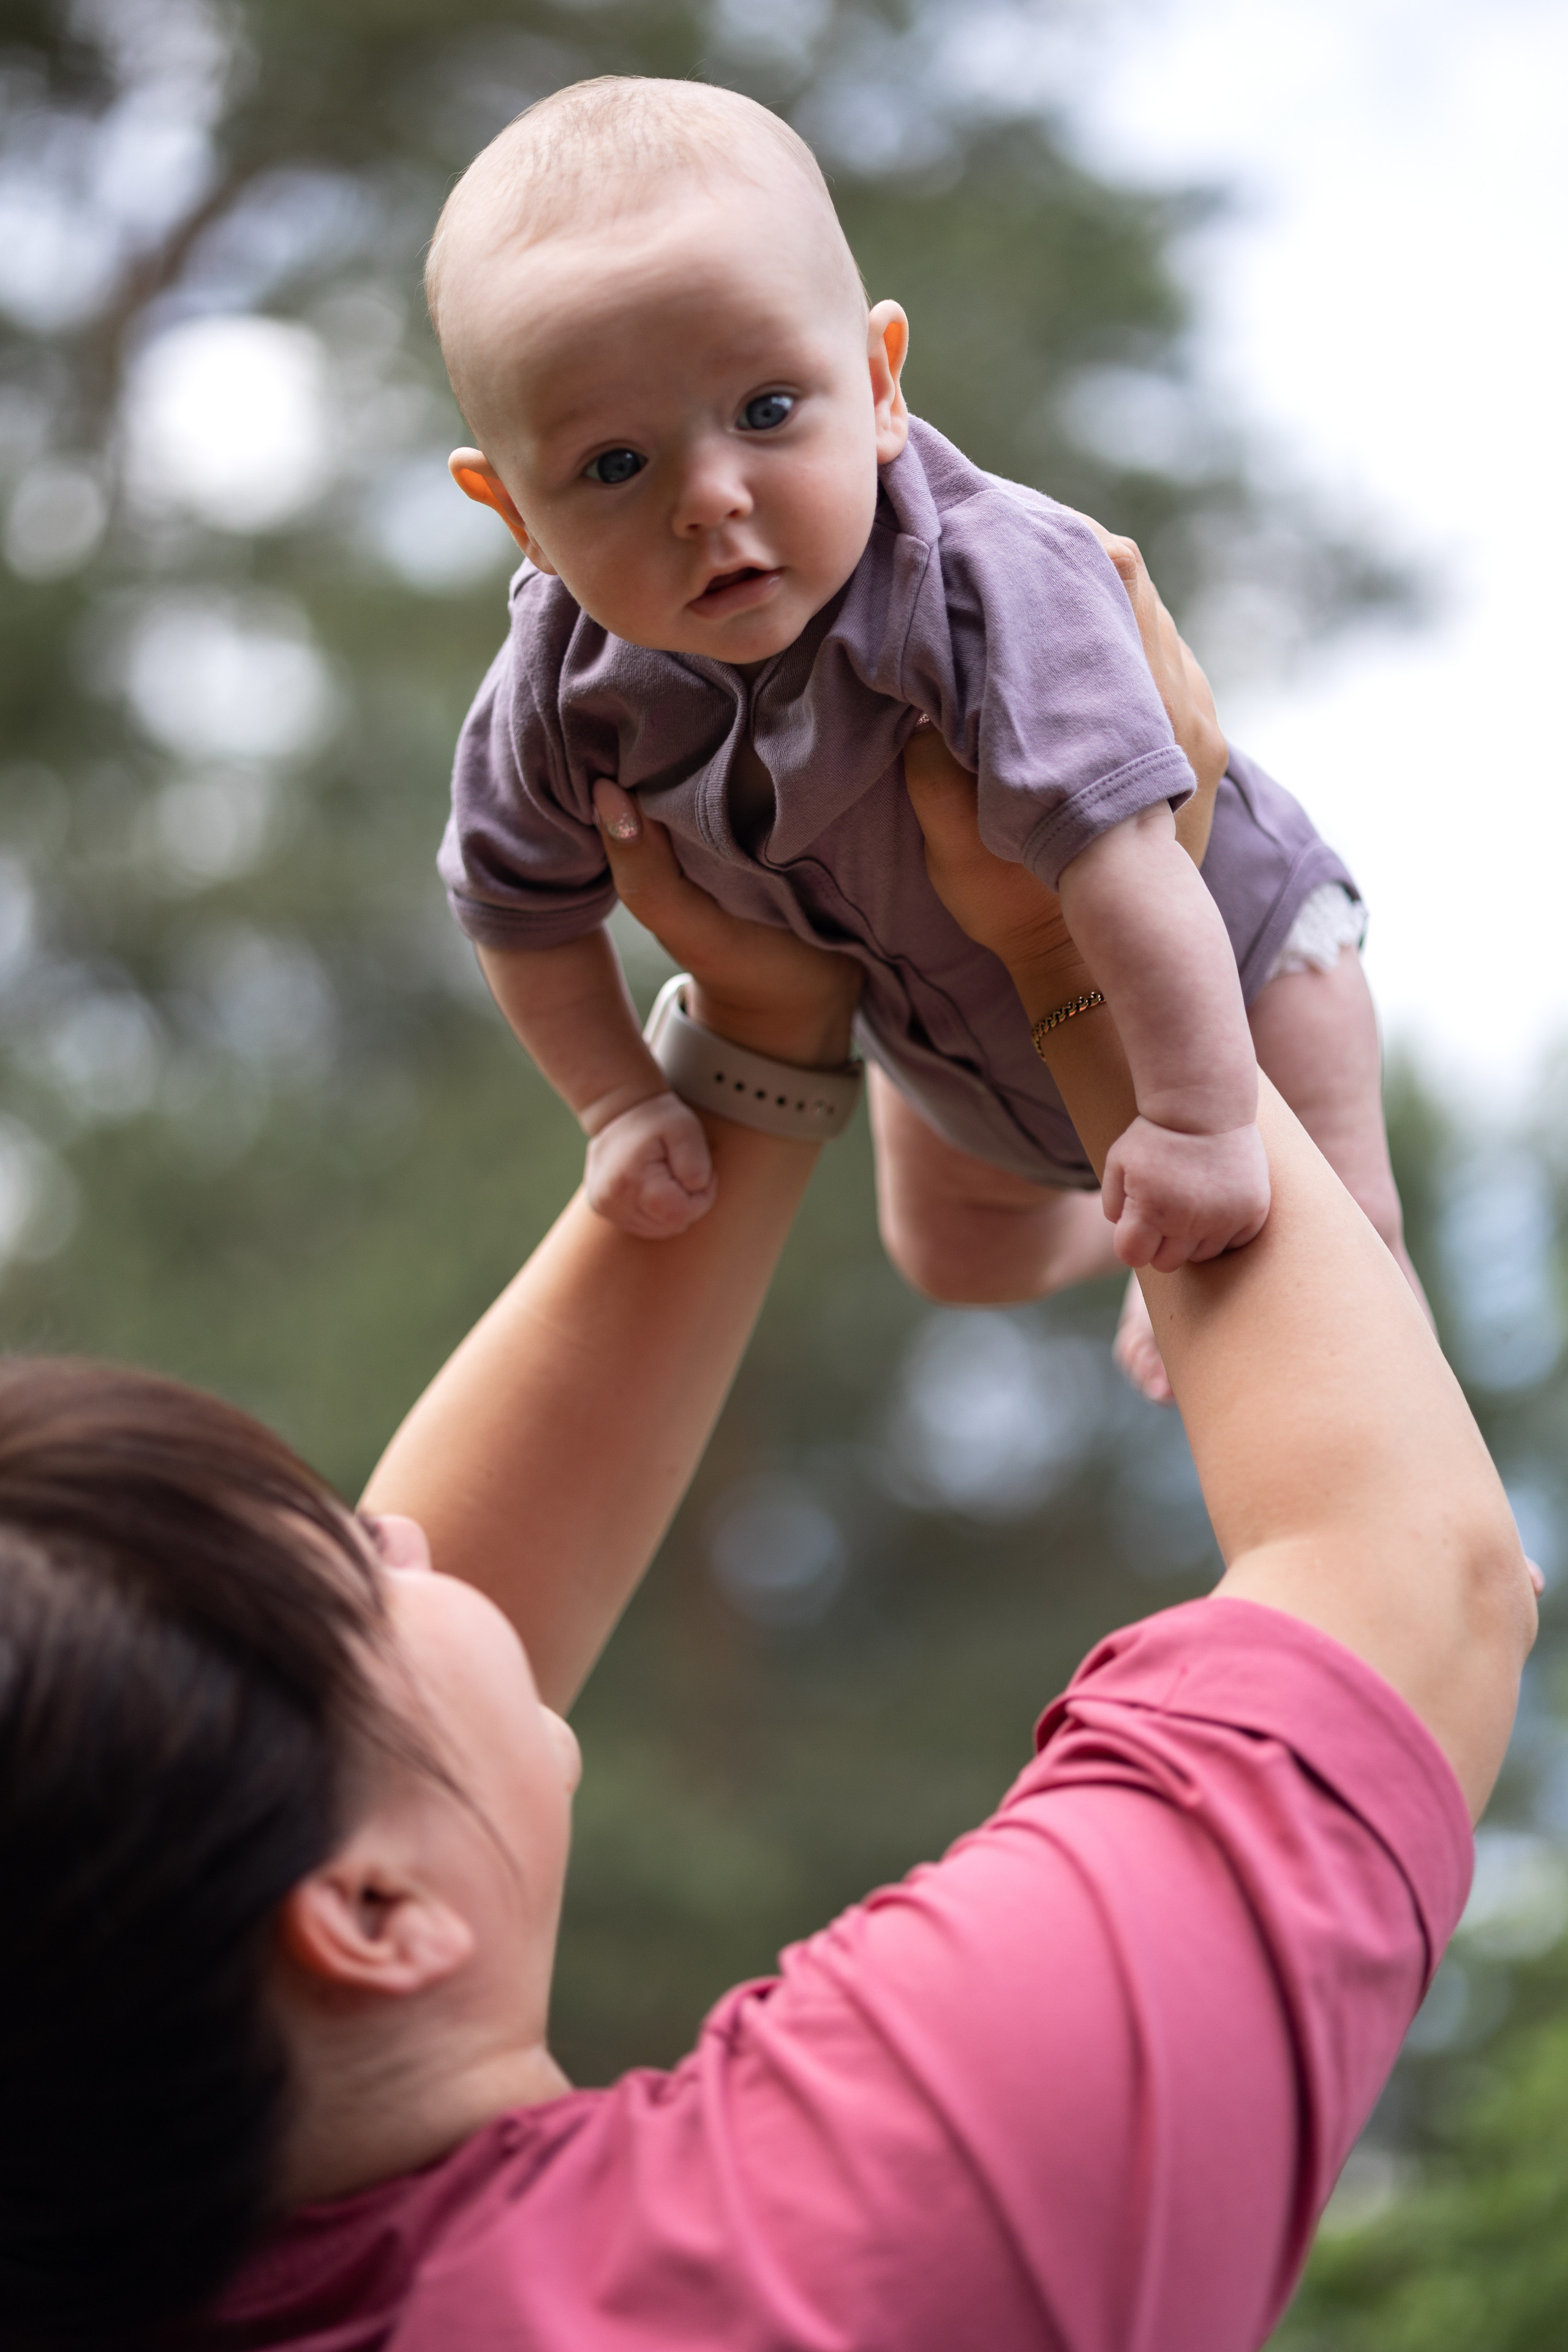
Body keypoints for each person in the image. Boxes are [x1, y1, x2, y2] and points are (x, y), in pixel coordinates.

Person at [0, 535, 1534, 2349]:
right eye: (352, 1570)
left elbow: (332, 1749)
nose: (406, 1536)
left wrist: (759, 1033)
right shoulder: (803, 2251)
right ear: (372, 1913)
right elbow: (1400, 1578)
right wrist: (1077, 934)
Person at [427, 74, 1423, 1407]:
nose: (708, 498)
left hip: (1221, 970)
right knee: (950, 1256)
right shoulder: (560, 687)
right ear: (517, 517)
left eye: (767, 409)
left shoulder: (986, 583)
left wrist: (1192, 1123)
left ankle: (1423, 1474)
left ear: (880, 382)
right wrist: (618, 1100)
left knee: (1336, 1232)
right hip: (947, 1039)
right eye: (614, 466)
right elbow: (517, 909)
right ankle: (1130, 1222)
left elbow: (1127, 864)